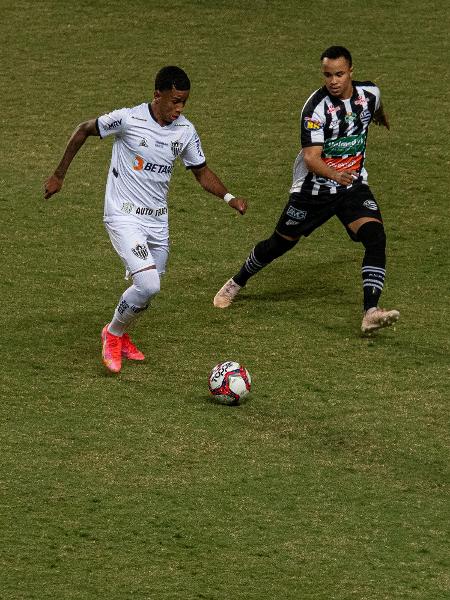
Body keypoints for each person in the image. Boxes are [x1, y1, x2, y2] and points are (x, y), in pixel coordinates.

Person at [44, 66, 247, 373]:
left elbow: (201, 171)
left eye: (184, 103)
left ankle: (121, 333)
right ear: (157, 95)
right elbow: (83, 129)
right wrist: (59, 175)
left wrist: (230, 198)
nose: (179, 108)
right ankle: (112, 335)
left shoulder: (185, 131)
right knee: (148, 284)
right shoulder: (128, 119)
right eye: (174, 101)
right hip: (123, 214)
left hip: (157, 221)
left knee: (149, 287)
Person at [214, 46, 399, 335]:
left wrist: (379, 117)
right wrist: (335, 174)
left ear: (351, 71)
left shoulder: (370, 94)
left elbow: (375, 106)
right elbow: (312, 159)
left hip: (352, 185)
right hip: (314, 191)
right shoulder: (316, 109)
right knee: (279, 243)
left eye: (339, 74)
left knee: (375, 237)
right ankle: (237, 281)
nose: (333, 81)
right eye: (327, 75)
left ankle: (371, 311)